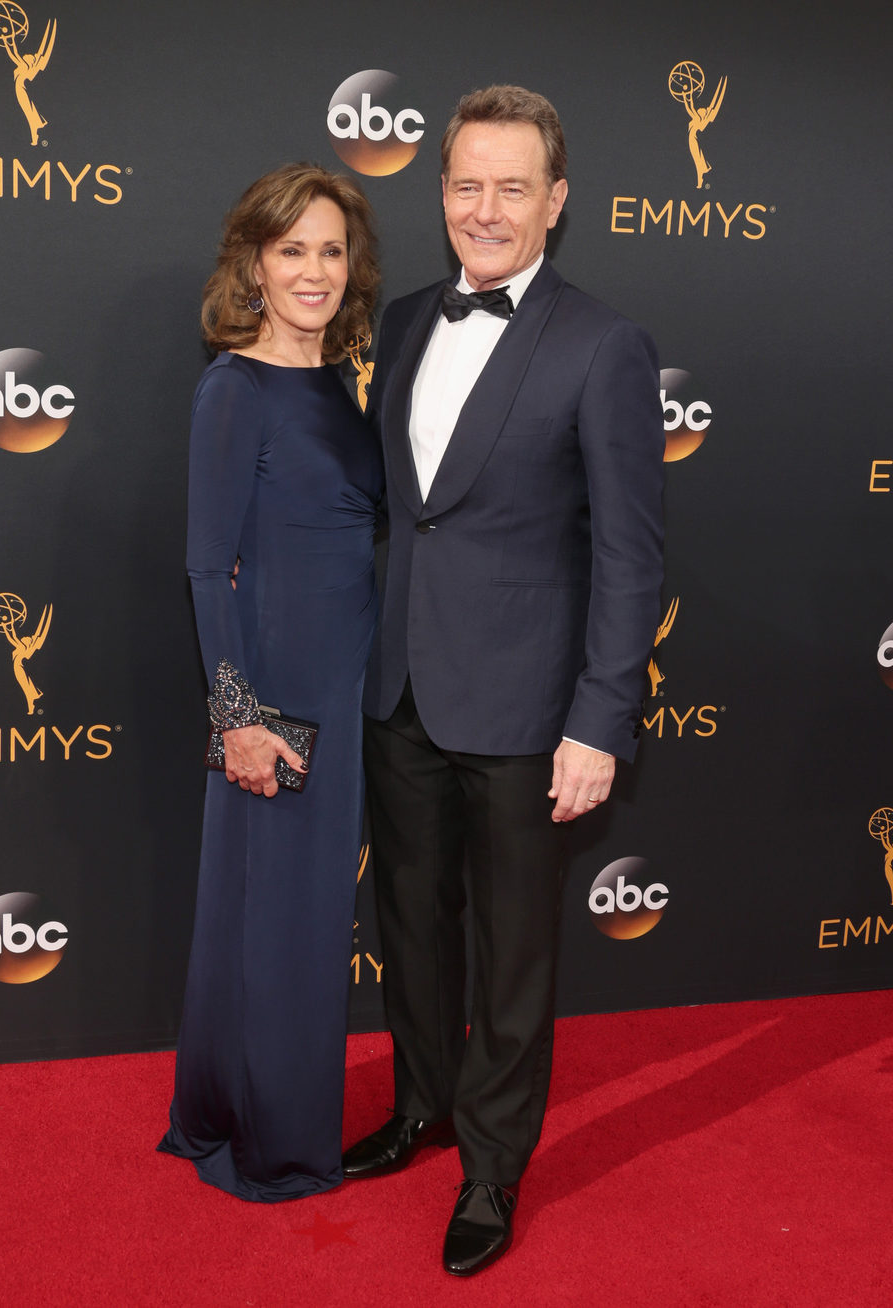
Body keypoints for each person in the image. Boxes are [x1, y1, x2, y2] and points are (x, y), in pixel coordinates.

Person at [342, 86, 665, 1274]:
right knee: (413, 924)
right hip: (404, 688)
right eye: (466, 183)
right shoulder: (407, 323)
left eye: (512, 186)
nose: (486, 208)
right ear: (441, 193)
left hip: (532, 711)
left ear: (557, 200)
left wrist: (601, 717)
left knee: (515, 950)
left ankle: (492, 1167)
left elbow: (632, 555)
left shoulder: (602, 344)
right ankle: (422, 1105)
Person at [158, 164, 382, 1202]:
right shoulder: (233, 387)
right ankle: (274, 1144)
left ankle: (237, 1106)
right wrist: (238, 721)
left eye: (331, 250)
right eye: (293, 249)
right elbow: (208, 567)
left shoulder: (339, 389)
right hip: (276, 698)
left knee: (296, 918)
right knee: (278, 921)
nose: (314, 270)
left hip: (347, 686)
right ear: (254, 261)